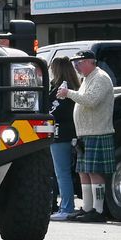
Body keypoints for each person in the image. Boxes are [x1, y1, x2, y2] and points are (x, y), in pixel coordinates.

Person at [60, 49, 114, 221]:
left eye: (80, 62)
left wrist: (68, 93)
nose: (77, 66)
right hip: (85, 133)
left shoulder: (101, 78)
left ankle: (98, 211)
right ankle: (87, 208)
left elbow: (90, 100)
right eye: (75, 62)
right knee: (83, 171)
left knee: (94, 171)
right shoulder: (87, 78)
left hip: (98, 131)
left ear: (91, 61)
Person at [47, 56, 79, 222]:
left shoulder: (63, 88)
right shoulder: (72, 85)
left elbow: (54, 110)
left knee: (62, 173)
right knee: (62, 172)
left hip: (61, 134)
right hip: (67, 133)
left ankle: (66, 207)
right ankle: (65, 206)